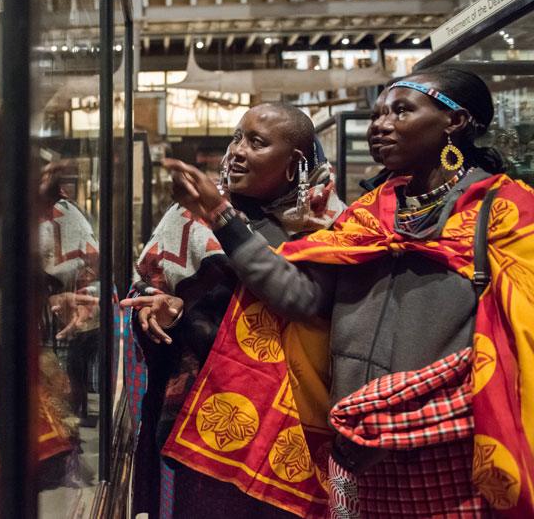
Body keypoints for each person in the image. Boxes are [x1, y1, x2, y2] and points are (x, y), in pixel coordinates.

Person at [162, 68, 534, 517]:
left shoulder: (506, 210)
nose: (380, 124)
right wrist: (221, 216)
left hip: (444, 440)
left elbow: (514, 338)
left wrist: (398, 422)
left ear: (454, 122)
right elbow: (301, 299)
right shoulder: (369, 214)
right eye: (378, 114)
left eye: (401, 111)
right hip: (355, 441)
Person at [121, 103, 346, 518]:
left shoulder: (329, 223)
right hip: (205, 422)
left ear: (295, 163)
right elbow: (151, 288)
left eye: (256, 143)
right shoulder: (189, 215)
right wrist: (162, 310)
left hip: (294, 425)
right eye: (237, 138)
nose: (237, 152)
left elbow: (306, 303)